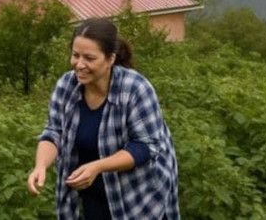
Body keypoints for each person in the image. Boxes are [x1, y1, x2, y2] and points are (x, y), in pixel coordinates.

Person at [27, 18, 179, 220]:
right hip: (94, 193)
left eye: (89, 58)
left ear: (110, 59)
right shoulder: (66, 86)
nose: (80, 65)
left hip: (139, 194)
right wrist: (40, 166)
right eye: (75, 55)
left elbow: (145, 146)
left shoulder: (136, 89)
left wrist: (98, 166)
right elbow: (54, 133)